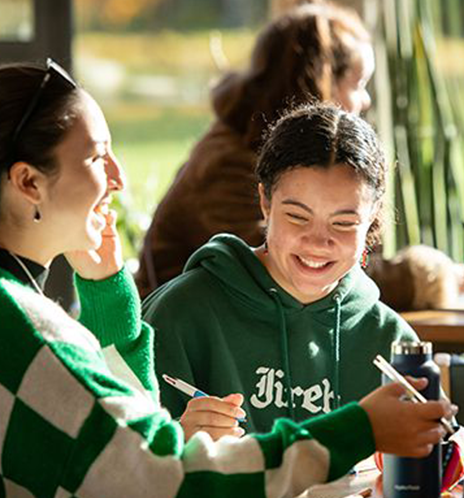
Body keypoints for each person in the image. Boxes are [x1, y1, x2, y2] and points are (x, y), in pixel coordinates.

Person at [0, 61, 454, 498]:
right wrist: (358, 428)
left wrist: (104, 289)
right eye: (98, 155)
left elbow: (123, 434)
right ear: (29, 182)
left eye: (343, 222)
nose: (119, 177)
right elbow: (159, 484)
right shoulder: (17, 330)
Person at [142, 103, 464, 498]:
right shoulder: (183, 312)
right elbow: (124, 476)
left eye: (344, 223)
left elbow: (427, 478)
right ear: (264, 203)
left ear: (372, 223)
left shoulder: (387, 333)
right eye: (297, 215)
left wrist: (443, 455)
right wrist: (175, 440)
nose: (319, 241)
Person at [135, 1, 374, 297]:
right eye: (358, 83)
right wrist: (420, 276)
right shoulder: (230, 165)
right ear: (322, 84)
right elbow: (291, 273)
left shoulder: (237, 143)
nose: (365, 101)